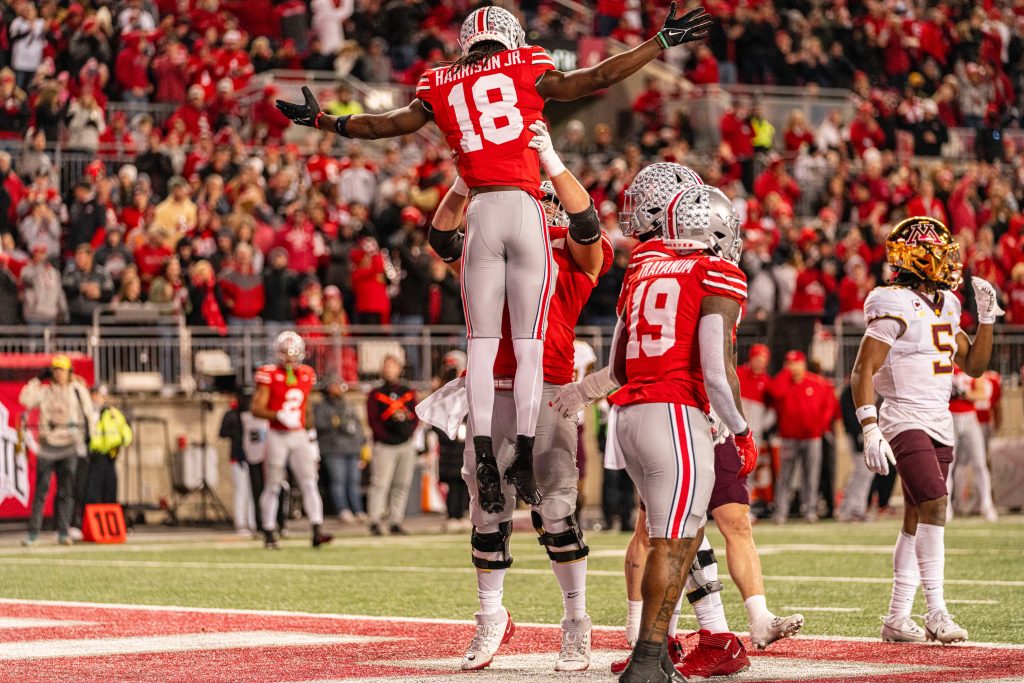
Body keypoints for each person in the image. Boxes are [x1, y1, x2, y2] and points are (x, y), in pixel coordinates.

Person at [276, 3, 712, 517]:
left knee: (480, 346)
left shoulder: (440, 81)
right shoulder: (526, 64)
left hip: (480, 208)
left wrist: (328, 121)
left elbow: (386, 125)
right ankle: (524, 452)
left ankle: (484, 452)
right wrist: (658, 42)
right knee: (528, 346)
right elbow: (593, 78)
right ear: (512, 38)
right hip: (525, 208)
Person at [553, 177, 758, 683]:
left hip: (630, 417)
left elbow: (620, 366)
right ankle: (647, 660)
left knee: (671, 539)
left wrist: (580, 393)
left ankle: (657, 654)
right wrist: (741, 429)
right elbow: (716, 368)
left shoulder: (642, 265)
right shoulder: (717, 271)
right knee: (675, 542)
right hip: (675, 414)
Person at [419, 133, 611, 671]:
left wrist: (552, 171)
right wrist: (466, 179)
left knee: (556, 512)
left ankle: (576, 621)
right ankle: (490, 618)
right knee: (487, 510)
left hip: (547, 390)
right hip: (490, 388)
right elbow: (439, 236)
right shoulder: (488, 231)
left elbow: (590, 235)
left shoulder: (567, 245)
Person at [851, 216, 999, 645]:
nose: (948, 260)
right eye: (940, 253)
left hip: (939, 418)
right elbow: (863, 368)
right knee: (936, 504)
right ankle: (936, 611)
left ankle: (897, 618)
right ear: (916, 257)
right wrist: (869, 426)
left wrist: (986, 319)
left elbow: (972, 365)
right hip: (903, 416)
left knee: (916, 516)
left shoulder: (949, 304)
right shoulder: (892, 300)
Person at [251, 332, 332, 549]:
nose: (289, 359)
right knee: (273, 485)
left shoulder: (306, 374)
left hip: (298, 434)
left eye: (292, 354)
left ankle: (317, 530)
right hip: (277, 434)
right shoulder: (269, 374)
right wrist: (277, 414)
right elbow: (257, 408)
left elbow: (306, 407)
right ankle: (268, 532)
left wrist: (311, 436)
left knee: (309, 482)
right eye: (285, 354)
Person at [19, 356, 93, 546]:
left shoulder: (77, 390)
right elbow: (25, 400)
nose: (59, 373)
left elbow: (88, 412)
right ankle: (33, 533)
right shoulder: (44, 391)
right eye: (56, 370)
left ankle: (63, 531)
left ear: (70, 372)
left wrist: (88, 436)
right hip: (48, 446)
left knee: (65, 491)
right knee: (41, 491)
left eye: (62, 369)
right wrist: (37, 379)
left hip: (69, 445)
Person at [768, 351, 839, 524]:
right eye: (789, 364)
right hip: (789, 437)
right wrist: (785, 374)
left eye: (795, 363)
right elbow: (775, 393)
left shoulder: (815, 382)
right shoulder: (785, 382)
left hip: (812, 437)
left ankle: (809, 511)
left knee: (811, 475)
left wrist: (820, 426)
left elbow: (829, 404)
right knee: (785, 475)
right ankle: (780, 512)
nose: (792, 367)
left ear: (803, 363)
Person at [366, 355, 419, 536]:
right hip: (385, 445)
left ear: (399, 369)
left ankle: (396, 521)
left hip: (405, 444)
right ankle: (374, 520)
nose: (389, 369)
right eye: (386, 366)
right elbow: (373, 419)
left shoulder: (408, 392)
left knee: (401, 484)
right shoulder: (376, 393)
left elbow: (415, 416)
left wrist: (408, 433)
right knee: (380, 484)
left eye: (392, 366)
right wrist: (384, 436)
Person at [314, 375, 367, 523]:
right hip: (333, 449)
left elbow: (357, 427)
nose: (339, 388)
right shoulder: (322, 405)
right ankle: (343, 509)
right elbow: (320, 425)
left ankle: (357, 509)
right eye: (335, 385)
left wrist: (362, 445)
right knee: (338, 481)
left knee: (353, 481)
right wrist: (334, 422)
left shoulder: (347, 404)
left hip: (352, 449)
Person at [947, 368, 997, 522]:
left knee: (980, 463)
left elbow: (982, 393)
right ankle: (946, 507)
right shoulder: (945, 363)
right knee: (948, 465)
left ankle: (987, 505)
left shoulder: (971, 365)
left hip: (969, 416)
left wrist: (963, 393)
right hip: (948, 416)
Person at [219, 394, 256, 535]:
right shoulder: (232, 415)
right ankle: (241, 522)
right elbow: (222, 432)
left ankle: (253, 521)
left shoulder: (254, 416)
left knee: (252, 491)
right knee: (241, 490)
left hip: (252, 456)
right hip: (238, 456)